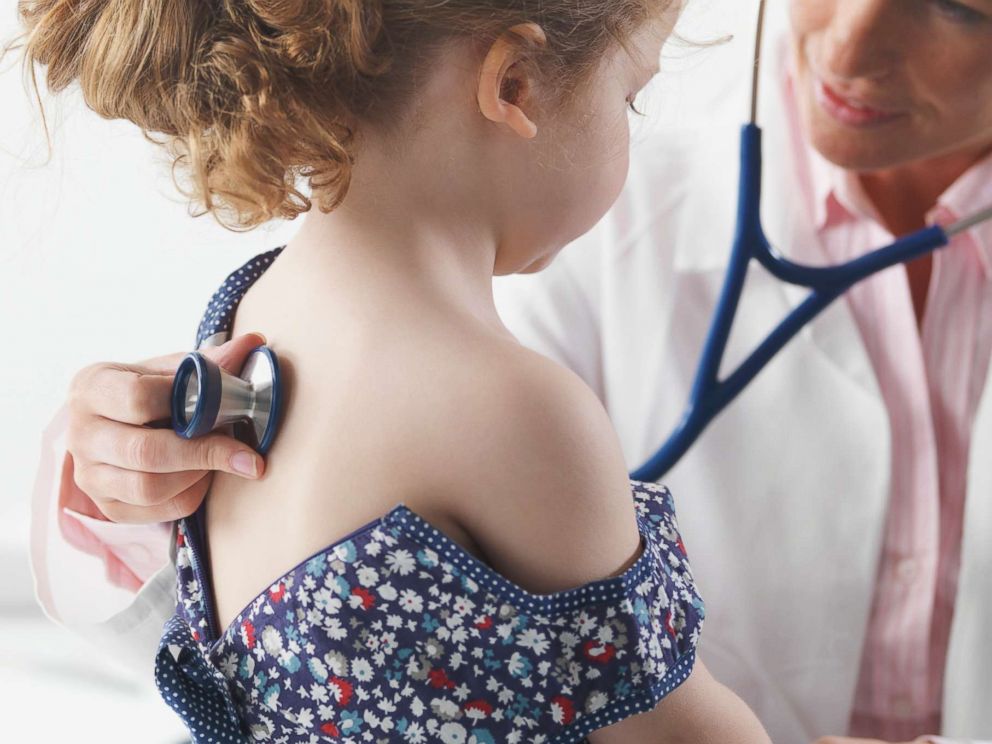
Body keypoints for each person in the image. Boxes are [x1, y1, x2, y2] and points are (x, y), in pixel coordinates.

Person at [19, 0, 992, 741]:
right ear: (514, 86)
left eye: (954, 3)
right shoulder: (515, 403)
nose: (852, 45)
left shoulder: (249, 310)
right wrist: (107, 469)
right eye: (630, 95)